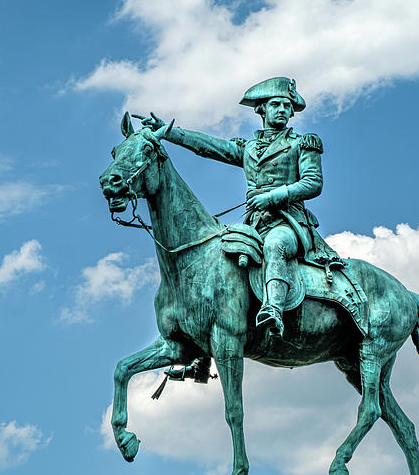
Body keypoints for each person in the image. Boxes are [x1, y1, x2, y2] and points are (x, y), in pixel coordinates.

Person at [138, 77, 339, 337]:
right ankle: (198, 338)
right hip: (254, 225)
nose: (282, 110)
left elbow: (313, 183)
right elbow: (211, 148)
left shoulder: (303, 143)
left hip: (289, 222)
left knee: (275, 245)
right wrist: (170, 132)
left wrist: (273, 197)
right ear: (262, 110)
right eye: (275, 104)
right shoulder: (249, 148)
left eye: (287, 106)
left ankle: (273, 310)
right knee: (215, 263)